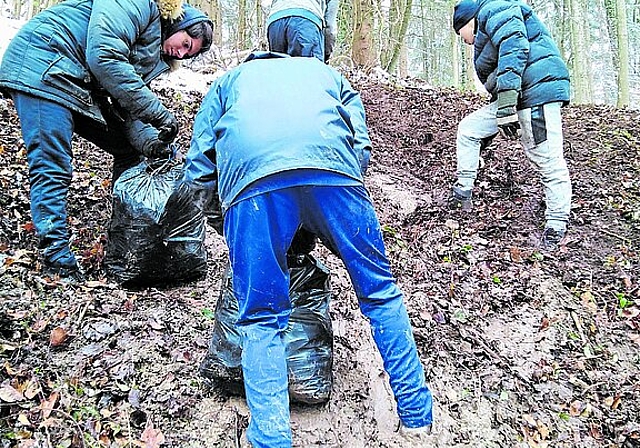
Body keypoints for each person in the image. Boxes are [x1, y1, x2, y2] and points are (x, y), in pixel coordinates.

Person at [183, 51, 433, 447]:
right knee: (381, 294)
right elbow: (362, 147)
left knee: (261, 319)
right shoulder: (328, 74)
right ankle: (417, 417)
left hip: (254, 188)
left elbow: (198, 169)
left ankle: (270, 437)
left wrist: (228, 225)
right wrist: (322, 209)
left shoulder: (229, 81)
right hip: (335, 176)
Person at [0, 0, 213, 280]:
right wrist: (157, 112)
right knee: (52, 164)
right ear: (177, 24)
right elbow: (104, 57)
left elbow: (127, 105)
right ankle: (57, 258)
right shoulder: (138, 5)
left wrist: (153, 143)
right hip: (45, 64)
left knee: (129, 149)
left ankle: (127, 236)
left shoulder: (148, 49)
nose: (182, 54)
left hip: (75, 81)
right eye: (186, 43)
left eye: (188, 54)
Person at [450, 0, 572, 251]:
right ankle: (462, 192)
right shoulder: (486, 22)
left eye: (459, 32)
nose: (462, 40)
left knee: (548, 160)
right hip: (516, 95)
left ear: (465, 21)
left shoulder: (494, 9)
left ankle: (556, 227)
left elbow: (514, 48)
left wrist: (506, 104)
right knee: (470, 130)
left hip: (535, 94)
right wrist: (502, 105)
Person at [267, 0, 339, 63]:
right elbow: (330, 27)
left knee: (279, 72)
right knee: (310, 73)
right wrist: (326, 55)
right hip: (306, 20)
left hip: (275, 21)